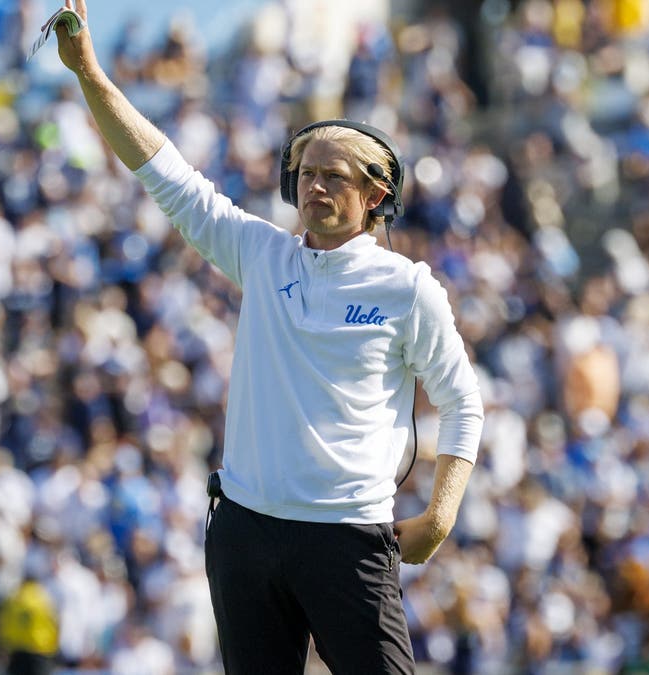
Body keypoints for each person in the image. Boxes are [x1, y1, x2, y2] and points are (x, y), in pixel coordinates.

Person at [51, 2, 484, 673]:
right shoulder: (261, 251)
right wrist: (89, 76)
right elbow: (163, 171)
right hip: (244, 531)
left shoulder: (408, 287)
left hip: (347, 538)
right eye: (306, 172)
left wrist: (441, 514)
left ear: (377, 196)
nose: (313, 186)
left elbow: (463, 402)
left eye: (333, 176)